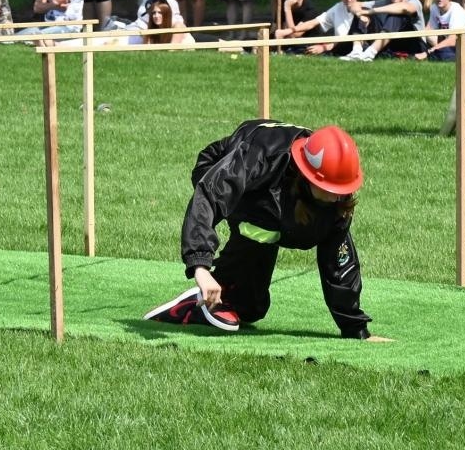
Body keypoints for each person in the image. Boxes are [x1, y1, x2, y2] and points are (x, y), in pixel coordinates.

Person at [145, 121, 387, 341]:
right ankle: (215, 290)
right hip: (220, 170)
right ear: (307, 176)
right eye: (329, 188)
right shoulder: (262, 156)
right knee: (267, 221)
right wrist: (201, 267)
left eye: (341, 190)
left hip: (278, 201)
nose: (336, 196)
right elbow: (209, 196)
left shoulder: (337, 194)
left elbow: (338, 260)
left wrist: (356, 329)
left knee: (251, 308)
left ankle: (214, 299)